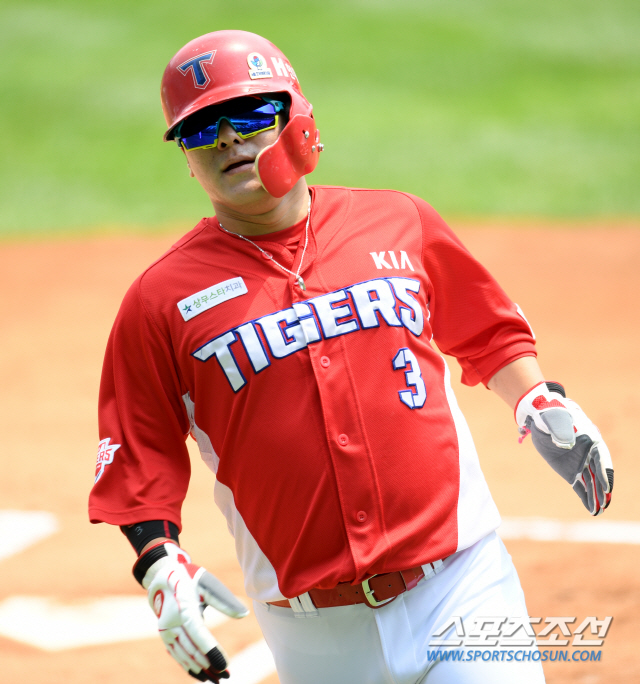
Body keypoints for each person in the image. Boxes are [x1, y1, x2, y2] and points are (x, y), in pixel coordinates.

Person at [89, 30, 614, 684]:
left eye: (250, 115)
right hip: (313, 634)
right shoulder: (161, 300)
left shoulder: (397, 222)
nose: (227, 140)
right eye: (201, 130)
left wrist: (536, 396)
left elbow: (486, 327)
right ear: (186, 158)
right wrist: (159, 562)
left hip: (461, 587)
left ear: (296, 119)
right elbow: (136, 453)